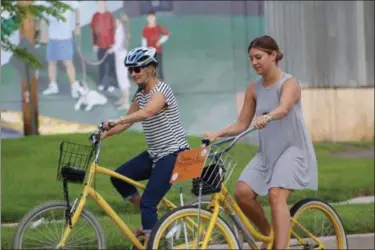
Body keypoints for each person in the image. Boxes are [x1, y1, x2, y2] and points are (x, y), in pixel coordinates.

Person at [203, 35, 318, 250]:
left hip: (293, 150)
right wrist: (216, 134)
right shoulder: (253, 89)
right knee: (243, 193)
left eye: (258, 57)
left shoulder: (289, 83)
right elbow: (241, 124)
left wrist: (268, 116)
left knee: (276, 195)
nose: (254, 62)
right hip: (268, 153)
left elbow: (284, 107)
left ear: (273, 55)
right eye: (251, 58)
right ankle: (269, 235)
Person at [101, 47, 189, 244]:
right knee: (120, 178)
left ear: (150, 68)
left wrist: (119, 118)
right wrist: (101, 135)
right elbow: (126, 123)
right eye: (130, 70)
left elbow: (148, 112)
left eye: (137, 69)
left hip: (175, 154)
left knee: (148, 202)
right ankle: (154, 222)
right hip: (156, 154)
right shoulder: (140, 95)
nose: (133, 74)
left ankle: (151, 238)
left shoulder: (162, 90)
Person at [41, 0, 81, 98]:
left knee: (68, 63)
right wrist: (44, 34)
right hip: (52, 38)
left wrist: (77, 25)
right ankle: (53, 86)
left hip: (65, 38)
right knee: (51, 62)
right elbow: (43, 17)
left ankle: (74, 86)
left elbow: (77, 8)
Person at [90, 0, 118, 93]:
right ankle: (102, 83)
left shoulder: (110, 15)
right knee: (101, 65)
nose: (100, 5)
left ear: (105, 4)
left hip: (110, 45)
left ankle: (111, 83)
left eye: (102, 3)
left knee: (110, 65)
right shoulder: (95, 16)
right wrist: (94, 44)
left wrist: (113, 44)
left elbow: (114, 30)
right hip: (100, 45)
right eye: (98, 3)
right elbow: (93, 31)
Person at [109, 14, 131, 110]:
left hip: (120, 57)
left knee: (123, 79)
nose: (115, 23)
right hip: (121, 56)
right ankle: (123, 99)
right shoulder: (122, 30)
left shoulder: (119, 31)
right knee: (121, 77)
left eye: (116, 21)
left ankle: (126, 103)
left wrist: (110, 50)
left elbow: (117, 45)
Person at [141, 10, 170, 81]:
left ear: (155, 18)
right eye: (149, 17)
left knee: (159, 69)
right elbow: (144, 41)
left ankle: (161, 86)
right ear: (147, 18)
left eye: (152, 17)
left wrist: (160, 41)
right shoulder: (145, 29)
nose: (151, 19)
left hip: (157, 52)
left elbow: (167, 34)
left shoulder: (158, 27)